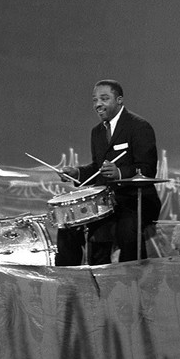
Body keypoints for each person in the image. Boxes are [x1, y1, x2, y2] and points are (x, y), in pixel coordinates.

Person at [55, 80, 161, 266]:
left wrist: (119, 172)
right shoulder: (97, 132)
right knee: (68, 225)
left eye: (104, 98)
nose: (98, 104)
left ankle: (131, 282)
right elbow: (98, 168)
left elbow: (148, 169)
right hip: (106, 202)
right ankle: (68, 280)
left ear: (119, 100)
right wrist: (77, 173)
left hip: (135, 200)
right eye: (95, 100)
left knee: (127, 230)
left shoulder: (139, 127)